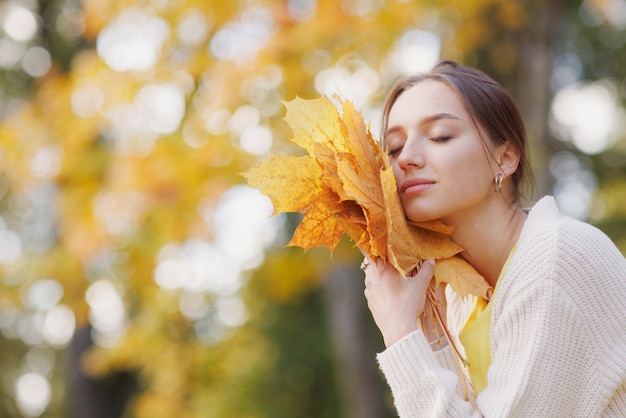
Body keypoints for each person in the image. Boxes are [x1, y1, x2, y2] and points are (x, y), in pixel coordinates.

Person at [361, 60, 626, 417]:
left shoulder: (555, 262)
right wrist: (427, 337)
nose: (406, 159)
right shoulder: (459, 297)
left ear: (505, 159)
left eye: (439, 136)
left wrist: (398, 333)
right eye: (393, 148)